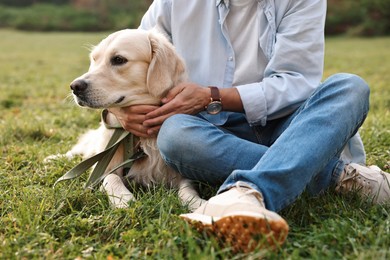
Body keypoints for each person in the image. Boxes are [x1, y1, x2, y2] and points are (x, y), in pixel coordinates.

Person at [109, 0, 390, 252]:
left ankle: (246, 193)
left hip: (289, 128)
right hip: (206, 132)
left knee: (349, 87)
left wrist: (212, 96)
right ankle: (339, 177)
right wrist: (116, 113)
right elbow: (132, 60)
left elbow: (297, 82)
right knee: (175, 134)